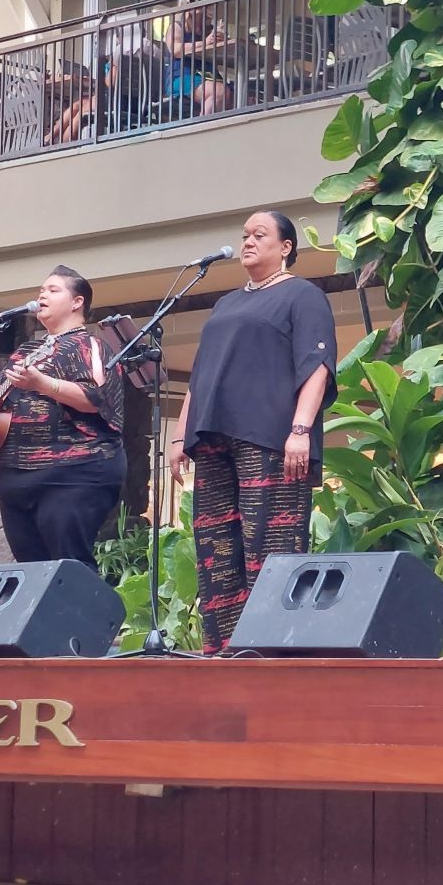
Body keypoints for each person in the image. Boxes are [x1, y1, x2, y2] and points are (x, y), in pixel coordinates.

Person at [169, 211, 337, 654]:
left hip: (270, 436)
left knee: (270, 544)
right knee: (216, 548)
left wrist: (300, 429)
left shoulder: (303, 295)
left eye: (259, 235)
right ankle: (224, 651)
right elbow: (201, 375)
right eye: (244, 235)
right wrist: (179, 436)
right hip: (213, 436)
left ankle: (273, 652)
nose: (247, 241)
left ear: (285, 247)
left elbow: (317, 366)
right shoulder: (226, 303)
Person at [0, 266, 126, 571]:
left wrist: (43, 384)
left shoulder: (89, 345)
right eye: (41, 290)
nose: (42, 295)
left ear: (77, 302)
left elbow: (98, 399)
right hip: (16, 478)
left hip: (72, 473)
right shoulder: (29, 350)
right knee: (32, 574)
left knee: (68, 568)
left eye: (53, 290)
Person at [164, 3, 231, 117]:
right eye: (191, 0)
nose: (197, 2)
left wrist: (222, 42)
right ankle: (205, 125)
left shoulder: (210, 30)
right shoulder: (177, 26)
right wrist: (205, 43)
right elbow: (176, 49)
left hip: (210, 76)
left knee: (244, 96)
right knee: (218, 91)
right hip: (183, 77)